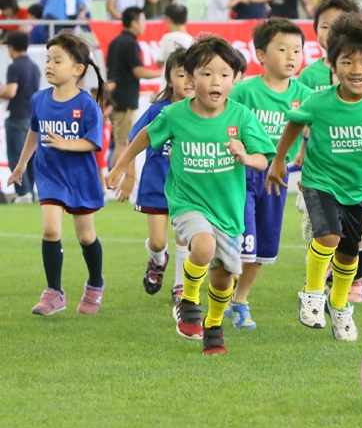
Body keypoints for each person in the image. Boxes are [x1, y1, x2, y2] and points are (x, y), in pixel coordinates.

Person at [106, 36, 276, 355]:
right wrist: (121, 165)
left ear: (235, 79)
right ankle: (188, 298)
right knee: (203, 244)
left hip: (227, 210)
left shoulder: (241, 117)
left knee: (225, 277)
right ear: (190, 77)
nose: (216, 81)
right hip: (187, 203)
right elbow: (145, 134)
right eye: (207, 73)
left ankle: (212, 325)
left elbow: (263, 158)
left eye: (225, 74)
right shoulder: (175, 114)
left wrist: (245, 157)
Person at [266, 14, 362, 341]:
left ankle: (339, 307)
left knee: (350, 253)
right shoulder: (320, 101)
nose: (356, 69)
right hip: (320, 181)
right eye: (347, 61)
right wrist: (279, 159)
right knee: (328, 237)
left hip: (361, 188)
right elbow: (294, 122)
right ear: (333, 67)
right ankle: (311, 295)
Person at [7, 31, 108, 316]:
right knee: (51, 229)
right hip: (49, 174)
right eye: (48, 59)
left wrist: (66, 143)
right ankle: (54, 292)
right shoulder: (39, 99)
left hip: (80, 177)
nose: (49, 65)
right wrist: (22, 164)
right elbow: (34, 131)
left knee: (86, 236)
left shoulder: (87, 104)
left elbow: (93, 141)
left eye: (57, 60)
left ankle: (96, 284)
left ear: (78, 69)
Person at [226, 19, 312, 328]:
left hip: (277, 179)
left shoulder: (306, 95)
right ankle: (224, 298)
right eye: (283, 49)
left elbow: (319, 131)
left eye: (297, 50)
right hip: (241, 176)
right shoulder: (244, 91)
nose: (292, 56)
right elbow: (223, 124)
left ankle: (238, 300)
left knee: (262, 249)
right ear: (260, 55)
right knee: (239, 245)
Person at [296, 0, 362, 303]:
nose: (332, 30)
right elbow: (302, 120)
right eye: (325, 25)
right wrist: (301, 155)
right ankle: (319, 283)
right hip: (320, 167)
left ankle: (355, 281)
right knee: (322, 234)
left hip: (358, 170)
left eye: (339, 24)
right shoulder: (308, 76)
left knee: (359, 233)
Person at [116, 49, 193, 304]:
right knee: (159, 242)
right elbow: (133, 139)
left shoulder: (201, 111)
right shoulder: (158, 110)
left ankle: (181, 285)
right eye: (182, 75)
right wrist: (128, 174)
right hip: (156, 186)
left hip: (187, 189)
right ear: (169, 79)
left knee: (184, 239)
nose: (188, 81)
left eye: (193, 75)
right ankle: (157, 260)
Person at [106, 7, 162, 169]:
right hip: (125, 100)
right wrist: (162, 72)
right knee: (123, 143)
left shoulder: (114, 42)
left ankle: (118, 178)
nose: (145, 24)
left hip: (116, 98)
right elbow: (139, 71)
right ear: (133, 23)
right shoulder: (130, 44)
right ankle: (116, 180)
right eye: (143, 20)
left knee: (120, 142)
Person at [0, 31, 40, 203]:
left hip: (17, 116)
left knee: (16, 155)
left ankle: (22, 191)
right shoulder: (34, 66)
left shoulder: (14, 66)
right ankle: (29, 191)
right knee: (29, 156)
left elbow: (11, 91)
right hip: (32, 115)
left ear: (11, 47)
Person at [157, 3, 193, 67]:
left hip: (168, 76)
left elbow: (159, 62)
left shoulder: (167, 38)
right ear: (186, 20)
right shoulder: (191, 40)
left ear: (168, 19)